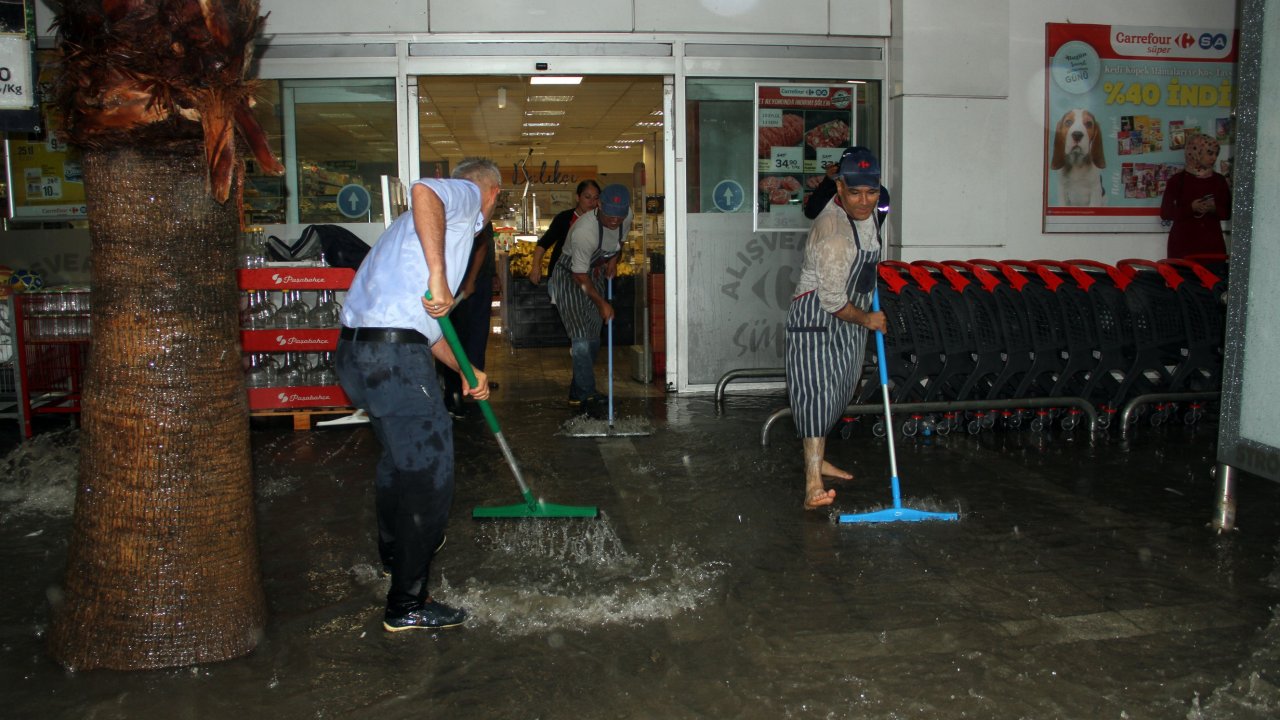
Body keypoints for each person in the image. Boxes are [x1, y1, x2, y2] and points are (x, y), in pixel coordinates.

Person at [335, 158, 499, 632]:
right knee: (431, 480)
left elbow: (423, 329)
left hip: (358, 354)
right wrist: (439, 274)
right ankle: (406, 603)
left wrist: (468, 371)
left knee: (398, 462)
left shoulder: (413, 231)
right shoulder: (466, 200)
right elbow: (424, 188)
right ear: (492, 193)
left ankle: (393, 552)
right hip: (392, 361)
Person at [785, 148, 888, 510]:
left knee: (841, 392)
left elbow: (874, 231)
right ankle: (812, 483)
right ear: (839, 187)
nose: (864, 202)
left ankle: (821, 458)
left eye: (871, 192)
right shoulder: (833, 234)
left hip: (849, 317)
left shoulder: (873, 208)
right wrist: (868, 319)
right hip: (817, 318)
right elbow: (830, 300)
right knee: (816, 396)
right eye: (855, 193)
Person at [548, 182, 631, 409]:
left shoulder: (626, 215)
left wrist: (613, 260)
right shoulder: (585, 231)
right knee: (581, 338)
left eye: (620, 216)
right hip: (570, 276)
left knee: (593, 337)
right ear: (599, 205)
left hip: (593, 273)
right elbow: (578, 276)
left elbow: (619, 240)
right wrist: (601, 303)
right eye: (610, 216)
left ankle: (577, 391)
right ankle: (587, 395)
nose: (615, 221)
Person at [439, 220, 496, 418]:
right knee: (457, 336)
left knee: (470, 336)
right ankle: (459, 388)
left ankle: (471, 383)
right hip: (459, 283)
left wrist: (471, 280)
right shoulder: (463, 210)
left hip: (471, 283)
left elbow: (482, 246)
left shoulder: (476, 214)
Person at [1160, 133, 1232, 258]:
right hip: (1183, 249)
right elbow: (1165, 213)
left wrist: (1214, 208)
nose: (1214, 158)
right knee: (1184, 277)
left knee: (1214, 276)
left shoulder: (1219, 180)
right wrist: (1191, 208)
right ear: (1195, 153)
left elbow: (1227, 213)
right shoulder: (1178, 180)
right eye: (1210, 153)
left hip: (1212, 249)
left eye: (1216, 154)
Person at [528, 179, 602, 285]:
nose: (592, 202)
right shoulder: (564, 218)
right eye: (587, 197)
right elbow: (543, 244)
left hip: (589, 278)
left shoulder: (601, 221)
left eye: (596, 198)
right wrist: (535, 267)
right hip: (561, 277)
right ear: (577, 197)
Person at [804, 146, 891, 220]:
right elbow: (811, 212)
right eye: (854, 192)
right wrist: (828, 181)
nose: (864, 201)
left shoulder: (880, 192)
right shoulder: (834, 188)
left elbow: (878, 219)